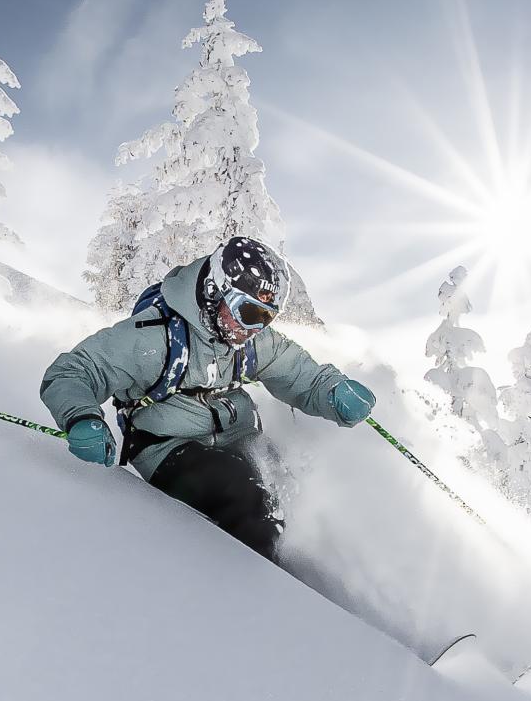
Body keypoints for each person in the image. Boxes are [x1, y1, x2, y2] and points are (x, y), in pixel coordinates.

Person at [39, 235, 376, 559]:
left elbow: (301, 375)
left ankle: (314, 580)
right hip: (167, 445)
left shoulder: (247, 340)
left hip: (237, 437)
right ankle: (256, 597)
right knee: (248, 499)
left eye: (266, 317)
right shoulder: (153, 338)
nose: (255, 328)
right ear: (216, 290)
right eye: (249, 312)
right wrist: (81, 416)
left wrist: (333, 392)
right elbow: (74, 372)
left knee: (295, 485)